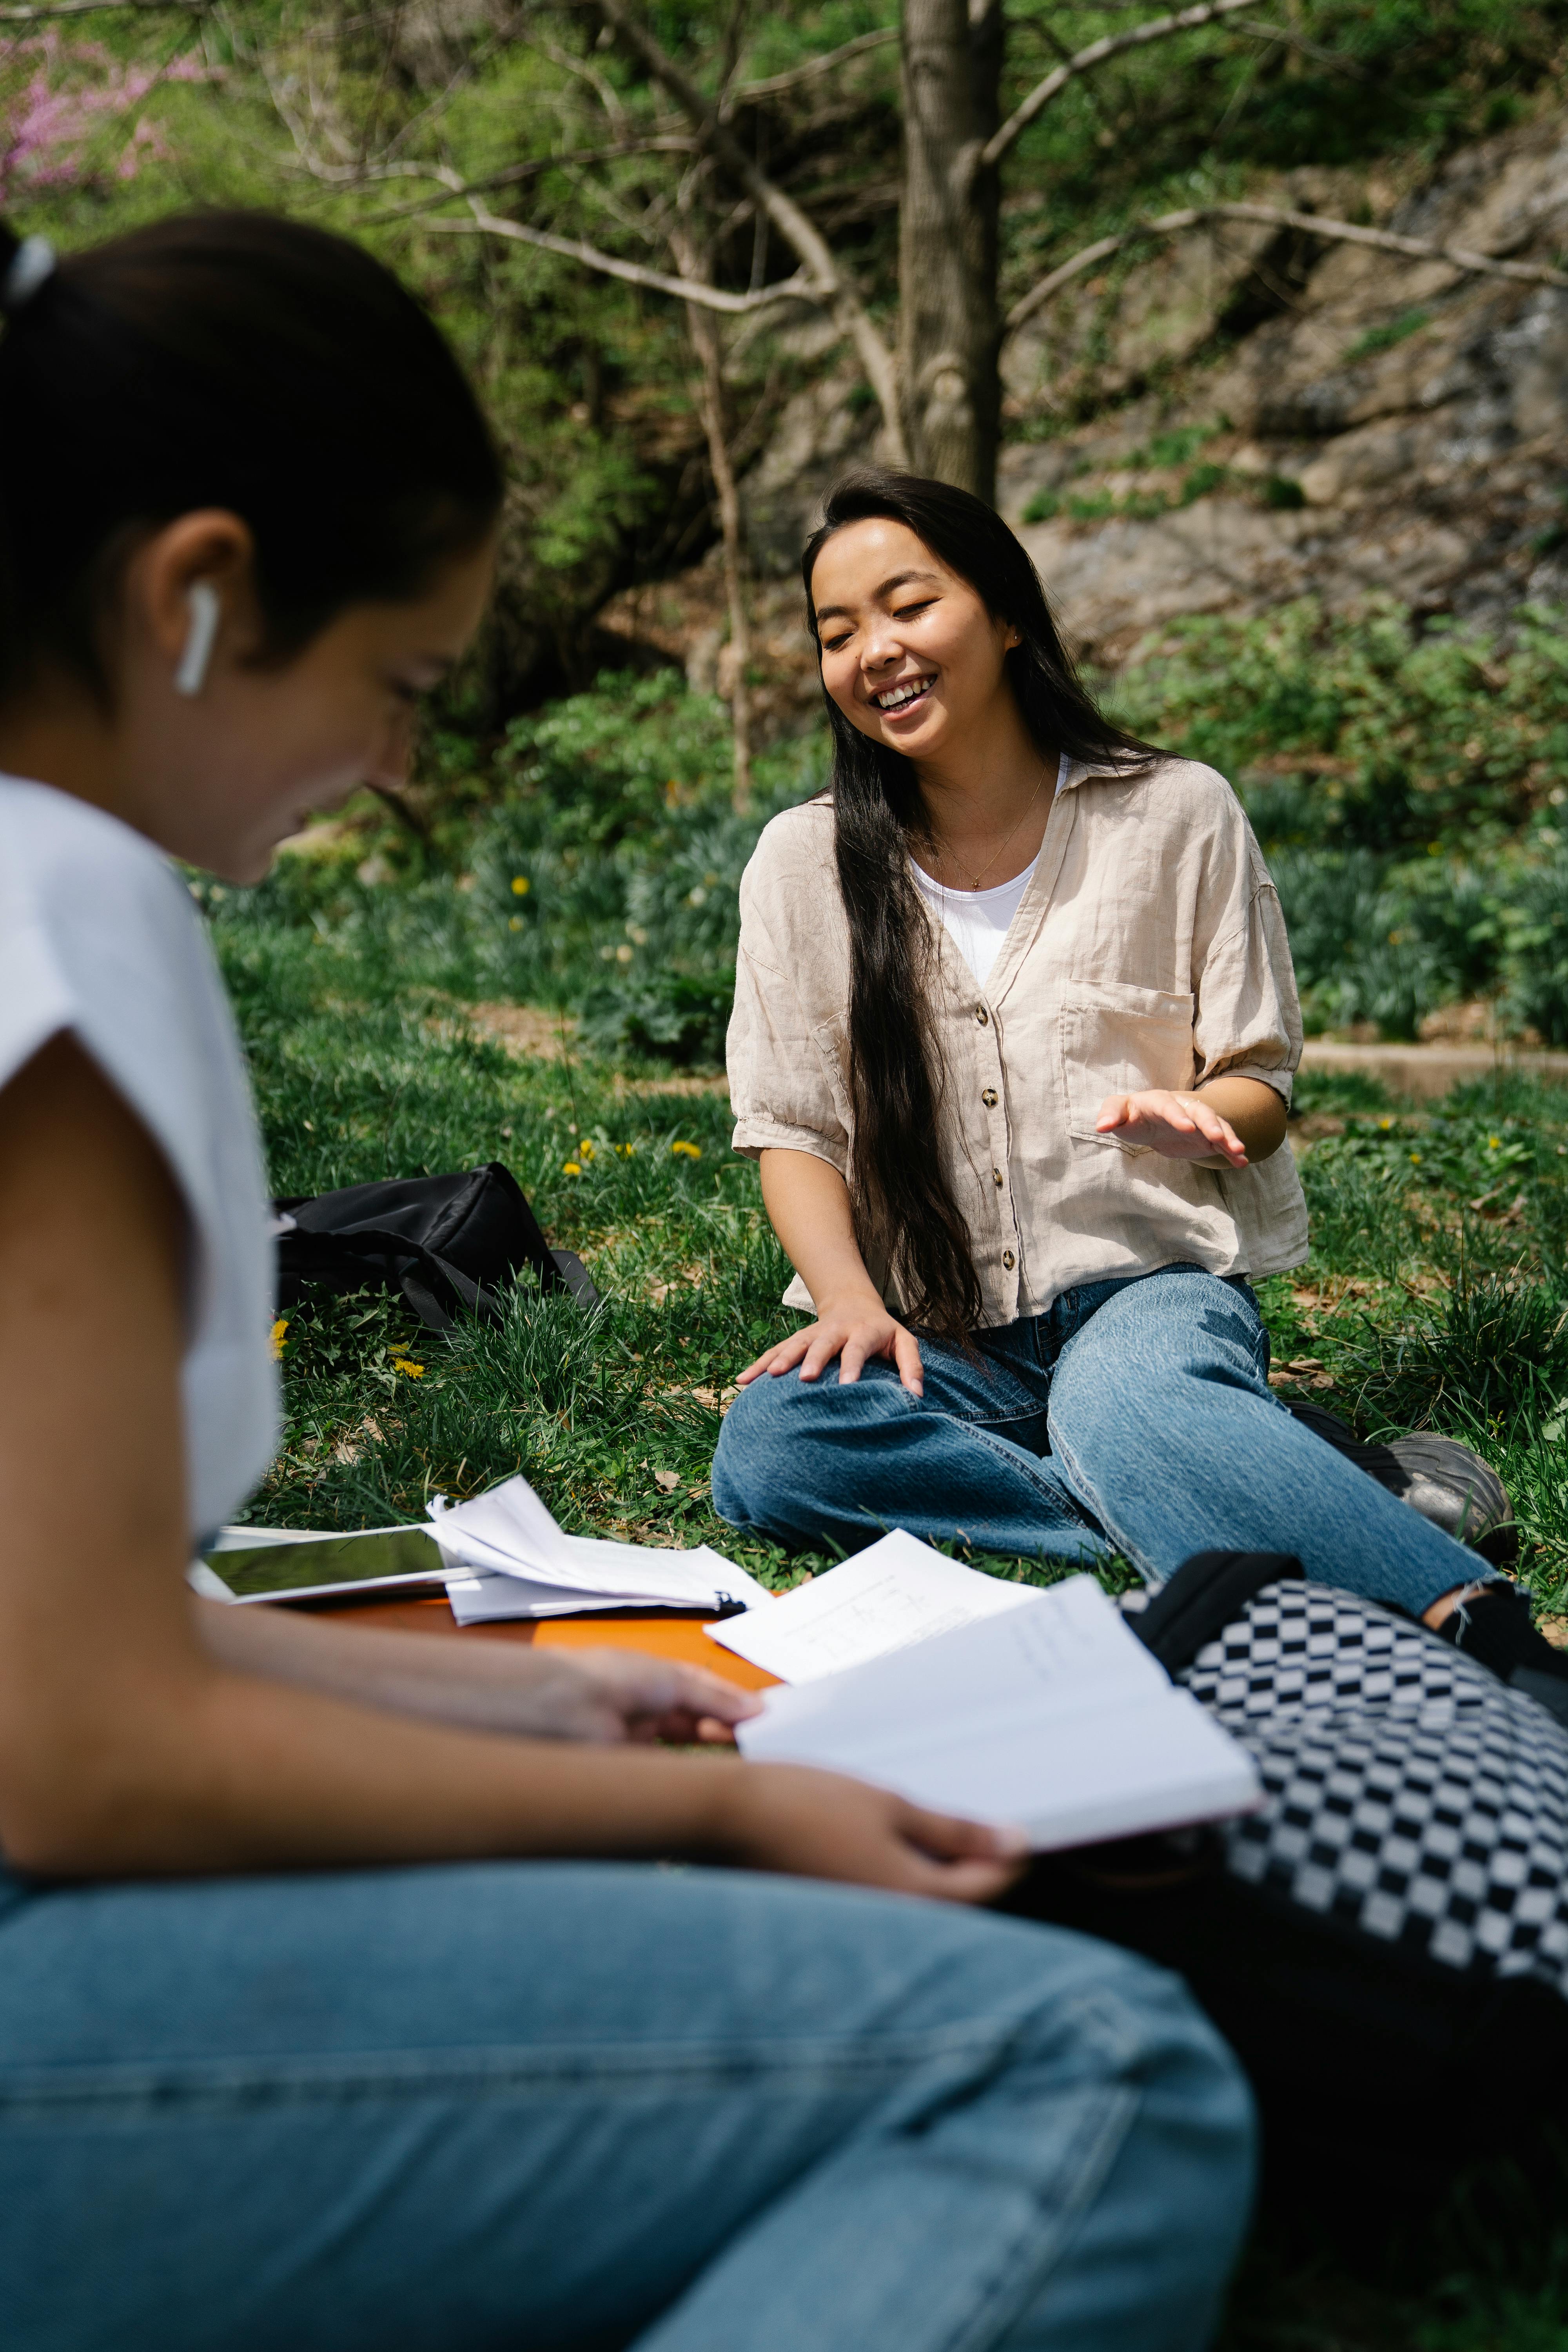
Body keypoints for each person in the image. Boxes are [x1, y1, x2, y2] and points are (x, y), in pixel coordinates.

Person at [0, 216, 1256, 2350]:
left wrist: (529, 1691)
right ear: (197, 594)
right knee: (1093, 2070)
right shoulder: (65, 911)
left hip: (1123, 1317)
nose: (400, 765)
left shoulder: (1169, 816)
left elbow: (78, 1640)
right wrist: (706, 1821)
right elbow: (81, 1747)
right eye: (396, 687)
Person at [714, 467, 1564, 1684]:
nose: (874, 652)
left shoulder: (1176, 814)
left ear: (1007, 614)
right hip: (932, 1329)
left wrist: (1211, 1117)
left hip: (1139, 1295)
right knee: (774, 1450)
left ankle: (1483, 1635)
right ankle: (1300, 1483)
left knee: (1122, 1409)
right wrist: (847, 1301)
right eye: (837, 633)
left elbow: (1260, 1084)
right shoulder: (802, 862)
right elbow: (793, 1123)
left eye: (908, 606)